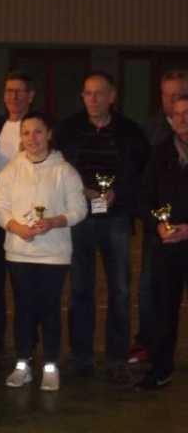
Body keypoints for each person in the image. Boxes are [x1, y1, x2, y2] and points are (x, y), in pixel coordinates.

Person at [55, 71, 149, 382]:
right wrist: (81, 191)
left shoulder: (131, 132)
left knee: (120, 291)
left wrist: (117, 192)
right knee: (80, 290)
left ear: (112, 96)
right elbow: (58, 169)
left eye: (99, 93)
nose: (92, 99)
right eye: (87, 93)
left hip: (117, 218)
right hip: (80, 217)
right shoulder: (68, 130)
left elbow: (142, 174)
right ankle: (81, 356)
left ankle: (116, 358)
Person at [0, 112, 87, 391]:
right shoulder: (11, 170)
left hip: (54, 255)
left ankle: (50, 365)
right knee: (23, 309)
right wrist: (16, 228)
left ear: (49, 134)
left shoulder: (65, 171)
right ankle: (22, 363)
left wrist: (54, 222)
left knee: (49, 309)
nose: (31, 138)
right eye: (26, 133)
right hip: (19, 253)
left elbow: (79, 210)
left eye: (37, 132)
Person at [129, 70, 188, 365]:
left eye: (180, 95)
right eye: (169, 96)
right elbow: (145, 191)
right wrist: (158, 225)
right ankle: (152, 351)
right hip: (162, 237)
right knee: (157, 294)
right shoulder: (151, 134)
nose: (175, 103)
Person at [0, 71, 37, 357]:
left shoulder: (39, 129)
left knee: (25, 286)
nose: (13, 96)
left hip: (27, 218)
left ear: (30, 96)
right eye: (9, 91)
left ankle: (27, 344)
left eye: (19, 91)